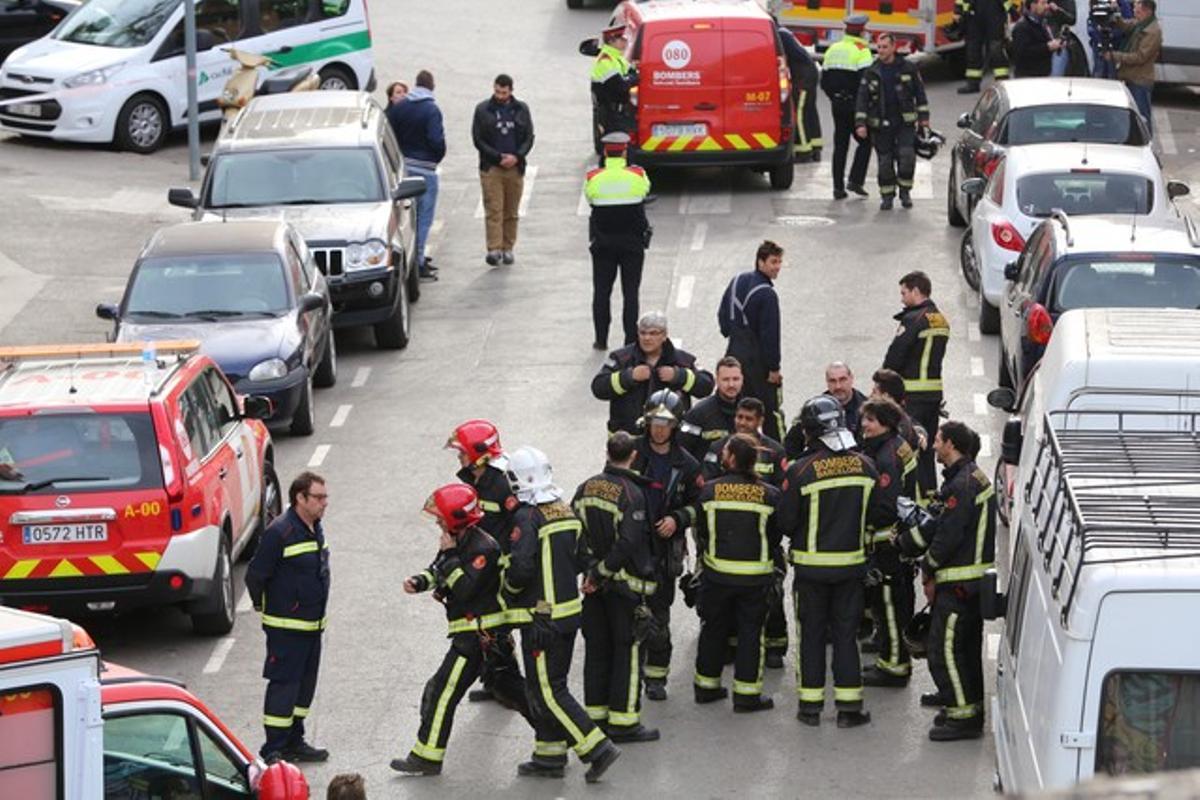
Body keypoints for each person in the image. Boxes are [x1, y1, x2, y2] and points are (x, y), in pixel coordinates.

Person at [390, 484, 530, 776]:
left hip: (477, 637)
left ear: (455, 519)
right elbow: (438, 568)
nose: (438, 522)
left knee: (442, 691)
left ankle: (427, 757)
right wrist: (419, 581)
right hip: (478, 636)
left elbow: (465, 588)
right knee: (513, 691)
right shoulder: (457, 540)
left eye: (442, 517)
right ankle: (556, 737)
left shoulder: (483, 548)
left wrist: (451, 558)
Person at [502, 446, 622, 782]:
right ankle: (549, 754)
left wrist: (506, 592)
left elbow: (521, 570)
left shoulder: (528, 517)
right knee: (549, 686)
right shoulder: (564, 509)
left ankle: (597, 748)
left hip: (541, 619)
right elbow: (584, 556)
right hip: (568, 616)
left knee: (548, 691)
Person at [778, 397, 877, 728]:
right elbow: (878, 514)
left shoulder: (800, 471)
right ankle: (849, 710)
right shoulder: (866, 466)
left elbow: (786, 523)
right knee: (847, 637)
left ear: (809, 431)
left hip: (811, 571)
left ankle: (810, 708)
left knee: (812, 636)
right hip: (851, 569)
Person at [896, 421, 996, 741]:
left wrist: (928, 569)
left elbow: (947, 536)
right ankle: (961, 701)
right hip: (971, 583)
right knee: (964, 650)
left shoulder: (962, 486)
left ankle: (962, 718)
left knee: (946, 651)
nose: (934, 446)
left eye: (938, 440)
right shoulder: (968, 478)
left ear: (950, 444)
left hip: (959, 585)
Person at [573, 432, 661, 744]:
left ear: (607, 453)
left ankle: (596, 718)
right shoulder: (631, 493)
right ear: (633, 456)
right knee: (627, 651)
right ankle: (624, 723)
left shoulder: (585, 488)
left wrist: (590, 571)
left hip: (595, 590)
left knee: (597, 651)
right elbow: (628, 542)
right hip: (624, 588)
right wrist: (602, 572)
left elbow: (576, 534)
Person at [245, 471, 332, 763]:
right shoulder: (279, 532)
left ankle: (296, 740)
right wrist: (267, 609)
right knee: (284, 686)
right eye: (318, 497)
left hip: (312, 627)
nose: (324, 503)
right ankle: (274, 749)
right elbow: (255, 576)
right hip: (287, 629)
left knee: (304, 688)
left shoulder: (314, 527)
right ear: (300, 498)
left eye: (325, 497)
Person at [691, 433, 781, 712]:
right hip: (755, 577)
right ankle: (746, 695)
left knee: (712, 629)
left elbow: (702, 531)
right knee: (751, 634)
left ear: (730, 459)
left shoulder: (708, 491)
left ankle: (706, 687)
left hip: (717, 575)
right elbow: (776, 535)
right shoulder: (769, 495)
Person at [700, 397, 789, 668]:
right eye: (739, 417)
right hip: (724, 538)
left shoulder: (774, 452)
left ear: (760, 422)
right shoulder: (718, 448)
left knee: (773, 598)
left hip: (761, 542)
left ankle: (775, 645)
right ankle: (729, 646)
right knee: (726, 611)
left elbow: (782, 499)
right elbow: (706, 487)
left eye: (749, 419)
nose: (742, 422)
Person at [444, 420, 525, 705]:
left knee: (496, 628)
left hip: (499, 567)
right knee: (490, 628)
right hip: (484, 564)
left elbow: (519, 526)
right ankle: (494, 682)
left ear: (480, 453)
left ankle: (508, 684)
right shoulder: (476, 479)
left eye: (463, 452)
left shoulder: (502, 483)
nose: (459, 456)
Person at [633, 390, 704, 701]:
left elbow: (699, 504)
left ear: (675, 425)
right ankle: (630, 674)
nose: (659, 428)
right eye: (654, 422)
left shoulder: (686, 464)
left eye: (666, 423)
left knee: (659, 617)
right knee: (629, 617)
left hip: (664, 552)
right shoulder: (631, 453)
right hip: (631, 547)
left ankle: (656, 678)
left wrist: (678, 518)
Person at [858, 399, 919, 688]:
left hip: (886, 543)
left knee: (889, 606)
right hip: (900, 539)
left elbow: (885, 505)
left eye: (871, 420)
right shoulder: (898, 445)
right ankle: (888, 654)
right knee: (895, 603)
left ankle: (894, 665)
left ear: (886, 422)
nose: (865, 425)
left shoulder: (885, 458)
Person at [882, 271, 950, 502]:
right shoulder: (941, 319)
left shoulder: (912, 319)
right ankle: (931, 495)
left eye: (904, 293)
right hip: (933, 395)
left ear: (916, 291)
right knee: (929, 447)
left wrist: (884, 384)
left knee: (912, 447)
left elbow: (896, 355)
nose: (902, 299)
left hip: (912, 396)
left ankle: (915, 499)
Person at [591, 311, 714, 435]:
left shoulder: (683, 360)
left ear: (664, 335)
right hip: (629, 443)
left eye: (653, 333)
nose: (647, 338)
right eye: (642, 333)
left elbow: (707, 384)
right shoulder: (621, 358)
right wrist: (628, 377)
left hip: (668, 443)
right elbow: (598, 386)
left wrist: (680, 376)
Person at [586, 132, 652, 350]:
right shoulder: (638, 174)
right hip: (632, 244)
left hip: (603, 244)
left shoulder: (593, 177)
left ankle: (601, 339)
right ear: (625, 151)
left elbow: (590, 198)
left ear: (605, 152)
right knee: (631, 294)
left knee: (602, 292)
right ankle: (630, 340)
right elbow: (645, 191)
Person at [854, 33, 930, 211]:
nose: (880, 51)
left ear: (893, 47)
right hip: (880, 124)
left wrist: (924, 119)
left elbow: (920, 94)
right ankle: (887, 196)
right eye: (878, 47)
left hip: (904, 122)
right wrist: (860, 124)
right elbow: (862, 99)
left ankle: (905, 192)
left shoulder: (908, 68)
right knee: (884, 163)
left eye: (884, 47)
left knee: (906, 158)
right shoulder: (871, 71)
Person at [718, 241, 785, 442]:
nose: (777, 267)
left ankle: (735, 443)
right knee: (769, 409)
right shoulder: (767, 294)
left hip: (733, 351)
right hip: (756, 360)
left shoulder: (737, 279)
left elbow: (722, 315)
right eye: (773, 262)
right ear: (760, 262)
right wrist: (774, 369)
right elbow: (770, 335)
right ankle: (778, 449)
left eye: (780, 262)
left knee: (735, 402)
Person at [386, 70, 445, 282]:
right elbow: (437, 141)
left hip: (404, 168)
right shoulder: (431, 110)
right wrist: (435, 158)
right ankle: (419, 262)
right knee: (423, 218)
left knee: (406, 218)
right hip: (425, 170)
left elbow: (389, 135)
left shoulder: (399, 108)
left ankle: (411, 257)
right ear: (432, 86)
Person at [472, 74, 535, 267]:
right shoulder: (483, 110)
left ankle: (508, 247)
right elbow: (478, 139)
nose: (500, 96)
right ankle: (494, 249)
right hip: (492, 167)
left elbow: (529, 137)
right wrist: (498, 157)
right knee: (493, 209)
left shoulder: (521, 109)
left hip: (515, 167)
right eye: (497, 91)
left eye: (504, 92)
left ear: (511, 91)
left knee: (511, 211)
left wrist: (517, 156)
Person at [821, 14, 874, 199]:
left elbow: (824, 81)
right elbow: (866, 83)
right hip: (855, 105)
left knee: (840, 146)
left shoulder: (833, 49)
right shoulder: (862, 51)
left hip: (837, 105)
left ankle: (838, 188)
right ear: (861, 31)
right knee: (866, 142)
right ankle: (855, 180)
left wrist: (834, 97)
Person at [783, 361, 867, 459]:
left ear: (851, 379)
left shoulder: (866, 408)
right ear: (827, 382)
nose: (838, 386)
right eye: (832, 381)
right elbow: (791, 443)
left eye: (842, 380)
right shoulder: (815, 409)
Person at [1104, 0, 1161, 136]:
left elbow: (1140, 57)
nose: (1135, 13)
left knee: (1142, 117)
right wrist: (1115, 15)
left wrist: (1115, 56)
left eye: (1138, 11)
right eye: (1134, 10)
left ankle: (1148, 144)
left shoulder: (1152, 31)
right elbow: (1126, 25)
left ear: (1148, 12)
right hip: (1131, 77)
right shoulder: (1140, 24)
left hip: (1140, 80)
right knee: (1132, 116)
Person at [679, 356, 743, 463]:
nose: (731, 384)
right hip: (707, 477)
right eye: (726, 379)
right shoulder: (698, 414)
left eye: (735, 379)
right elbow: (682, 449)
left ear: (742, 379)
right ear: (717, 380)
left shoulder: (750, 411)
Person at [777, 20, 823, 163]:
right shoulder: (784, 32)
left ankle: (803, 151)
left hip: (803, 77)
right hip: (809, 72)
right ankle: (815, 147)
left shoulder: (779, 35)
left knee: (800, 113)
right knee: (810, 110)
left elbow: (781, 58)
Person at [955, 0, 1017, 94]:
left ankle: (1003, 82)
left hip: (994, 14)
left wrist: (1011, 10)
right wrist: (958, 11)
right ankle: (973, 83)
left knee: (996, 50)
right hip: (973, 15)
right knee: (973, 51)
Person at [590, 25, 637, 140]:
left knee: (622, 148)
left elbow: (631, 74)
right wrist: (633, 78)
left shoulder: (617, 58)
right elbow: (621, 86)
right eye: (621, 39)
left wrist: (633, 76)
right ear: (611, 41)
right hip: (610, 115)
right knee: (615, 148)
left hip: (619, 113)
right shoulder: (605, 61)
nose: (625, 41)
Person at [1011, 0, 1064, 77]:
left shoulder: (1041, 23)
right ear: (1033, 5)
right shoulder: (1022, 27)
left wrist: (1056, 44)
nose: (1046, 6)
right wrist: (1047, 47)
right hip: (1029, 78)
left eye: (1046, 3)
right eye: (1043, 3)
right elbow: (1021, 54)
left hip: (1043, 75)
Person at [1088, 0, 1133, 79]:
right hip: (1098, 45)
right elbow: (1091, 22)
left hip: (1115, 45)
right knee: (1099, 70)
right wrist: (1098, 37)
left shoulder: (1122, 3)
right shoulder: (1096, 2)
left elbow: (1128, 24)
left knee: (1112, 72)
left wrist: (1113, 34)